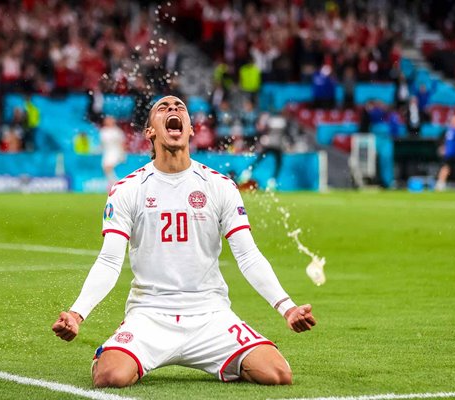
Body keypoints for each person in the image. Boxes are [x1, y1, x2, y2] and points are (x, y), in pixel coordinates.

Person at [52, 96, 316, 388]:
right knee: (110, 376)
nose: (173, 110)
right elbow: (110, 260)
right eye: (163, 108)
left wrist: (287, 308)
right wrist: (77, 313)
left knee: (278, 374)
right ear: (151, 131)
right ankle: (114, 352)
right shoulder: (127, 189)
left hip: (211, 315)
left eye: (180, 108)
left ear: (191, 129)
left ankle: (226, 357)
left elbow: (248, 256)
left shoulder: (219, 186)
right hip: (150, 314)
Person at [100, 116, 126, 187]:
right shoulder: (103, 131)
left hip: (115, 151)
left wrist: (123, 153)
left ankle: (115, 183)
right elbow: (102, 143)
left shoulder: (117, 131)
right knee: (105, 168)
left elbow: (122, 143)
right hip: (107, 152)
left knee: (108, 166)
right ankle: (114, 183)